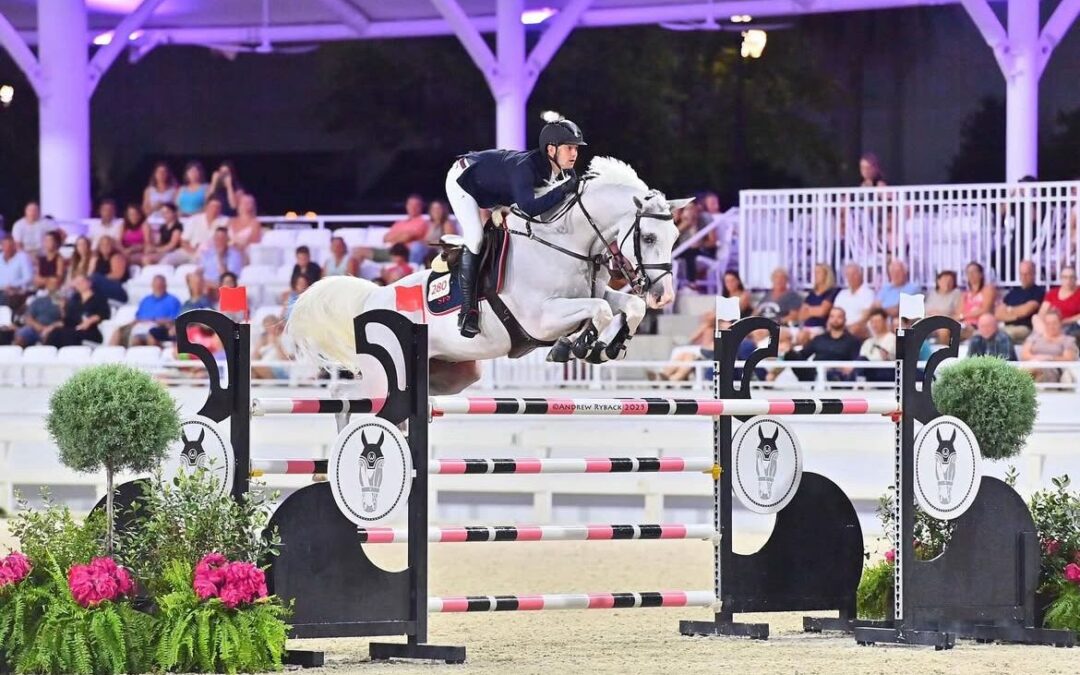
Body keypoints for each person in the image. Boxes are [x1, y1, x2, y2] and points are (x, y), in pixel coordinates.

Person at [444, 111, 585, 337]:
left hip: (495, 187)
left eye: (576, 148)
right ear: (551, 149)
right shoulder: (526, 168)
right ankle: (467, 312)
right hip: (464, 180)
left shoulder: (563, 173)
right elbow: (530, 208)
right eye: (569, 148)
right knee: (476, 238)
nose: (575, 153)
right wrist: (563, 190)